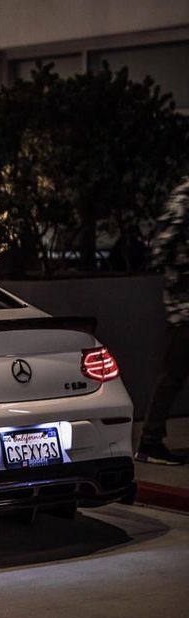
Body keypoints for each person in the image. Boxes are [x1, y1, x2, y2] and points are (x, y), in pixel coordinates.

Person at [135, 177, 189, 466]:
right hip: (184, 307)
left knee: (173, 374)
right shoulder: (183, 199)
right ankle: (150, 442)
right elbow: (160, 249)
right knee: (172, 374)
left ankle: (151, 441)